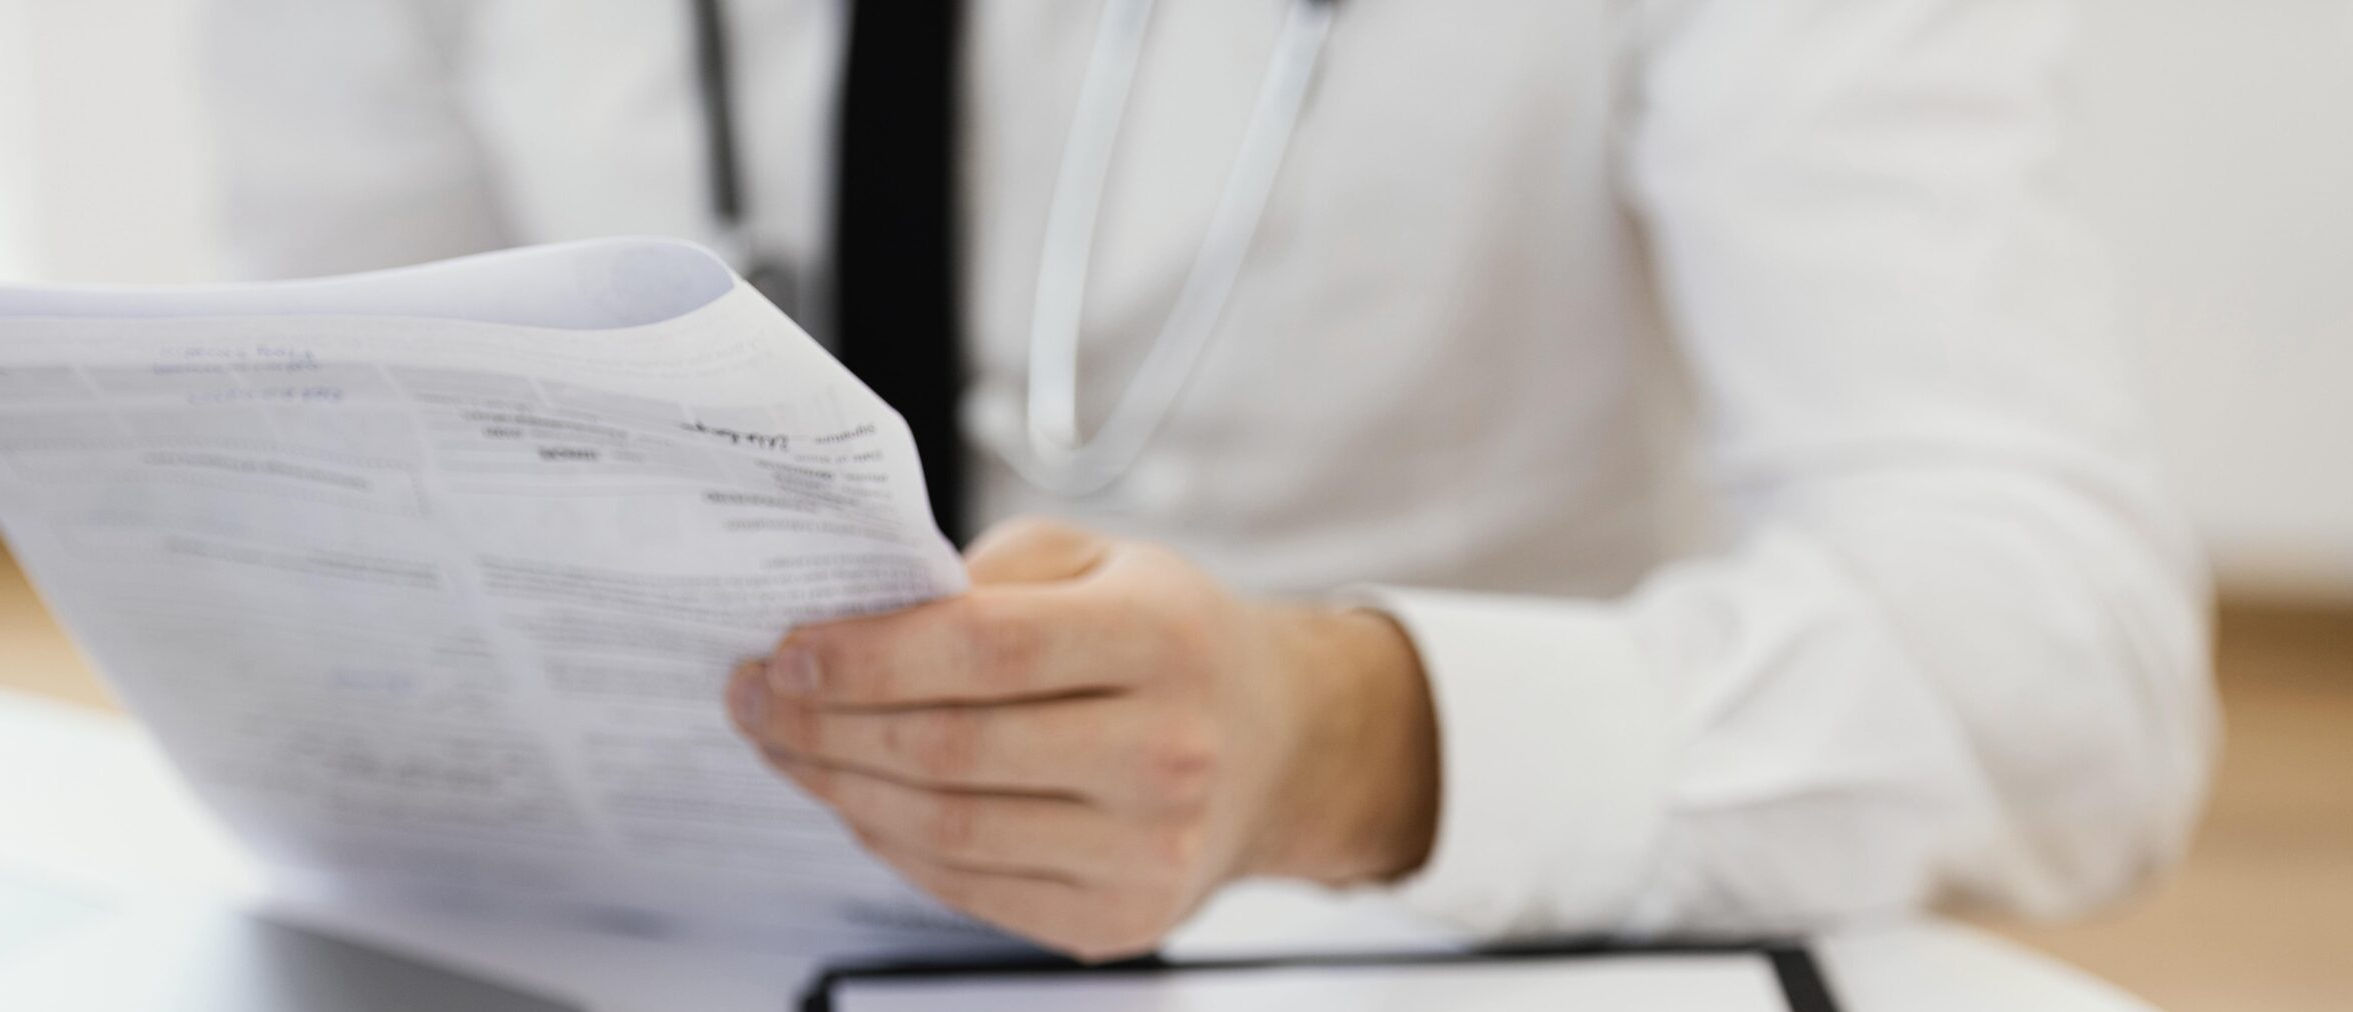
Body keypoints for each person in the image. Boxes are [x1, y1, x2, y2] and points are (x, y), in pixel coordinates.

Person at [208, 0, 2214, 960]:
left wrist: (1347, 739)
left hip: (1413, 994)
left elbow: (2068, 667)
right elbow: (318, 436)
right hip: (634, 978)